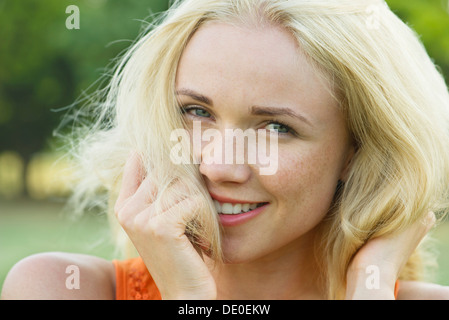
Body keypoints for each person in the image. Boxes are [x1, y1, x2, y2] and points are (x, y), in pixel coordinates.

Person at [2, 0, 449, 300]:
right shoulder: (57, 289)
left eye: (276, 127)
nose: (218, 165)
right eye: (196, 111)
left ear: (358, 150)